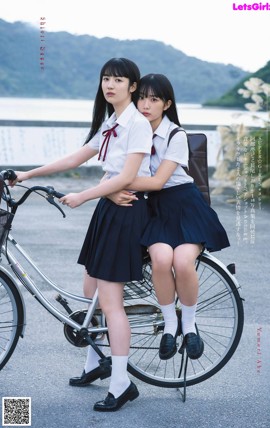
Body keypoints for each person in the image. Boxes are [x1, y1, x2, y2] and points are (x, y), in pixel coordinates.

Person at [9, 58, 153, 412]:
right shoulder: (112, 122)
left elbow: (126, 176)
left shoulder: (138, 124)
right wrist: (27, 174)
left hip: (126, 213)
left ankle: (121, 385)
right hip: (109, 210)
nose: (110, 85)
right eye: (106, 78)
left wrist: (84, 195)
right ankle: (96, 363)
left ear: (133, 86)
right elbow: (77, 158)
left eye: (119, 80)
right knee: (90, 289)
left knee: (110, 302)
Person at [109, 73, 230, 361]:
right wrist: (114, 183)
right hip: (156, 210)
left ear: (167, 104)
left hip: (185, 206)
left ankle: (189, 327)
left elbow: (159, 181)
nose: (145, 105)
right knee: (161, 260)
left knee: (182, 261)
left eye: (154, 99)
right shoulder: (131, 131)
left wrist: (116, 183)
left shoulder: (176, 135)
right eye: (141, 98)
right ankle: (169, 325)